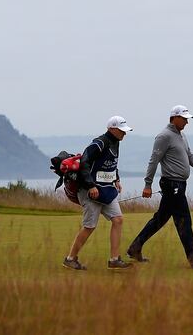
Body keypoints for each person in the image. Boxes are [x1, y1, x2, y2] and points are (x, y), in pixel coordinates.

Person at [126, 105, 193, 269]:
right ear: (174, 118)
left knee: (160, 219)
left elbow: (189, 156)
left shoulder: (182, 136)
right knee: (184, 220)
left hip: (180, 184)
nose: (187, 122)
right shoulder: (164, 136)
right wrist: (147, 184)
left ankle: (135, 247)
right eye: (184, 119)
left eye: (188, 119)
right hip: (172, 185)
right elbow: (154, 160)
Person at [62, 116, 133, 271]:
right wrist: (90, 186)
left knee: (118, 219)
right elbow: (85, 163)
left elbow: (111, 165)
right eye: (122, 130)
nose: (124, 134)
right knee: (89, 226)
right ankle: (70, 259)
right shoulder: (99, 143)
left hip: (107, 190)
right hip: (90, 192)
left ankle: (114, 260)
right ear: (112, 129)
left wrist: (117, 179)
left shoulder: (116, 143)